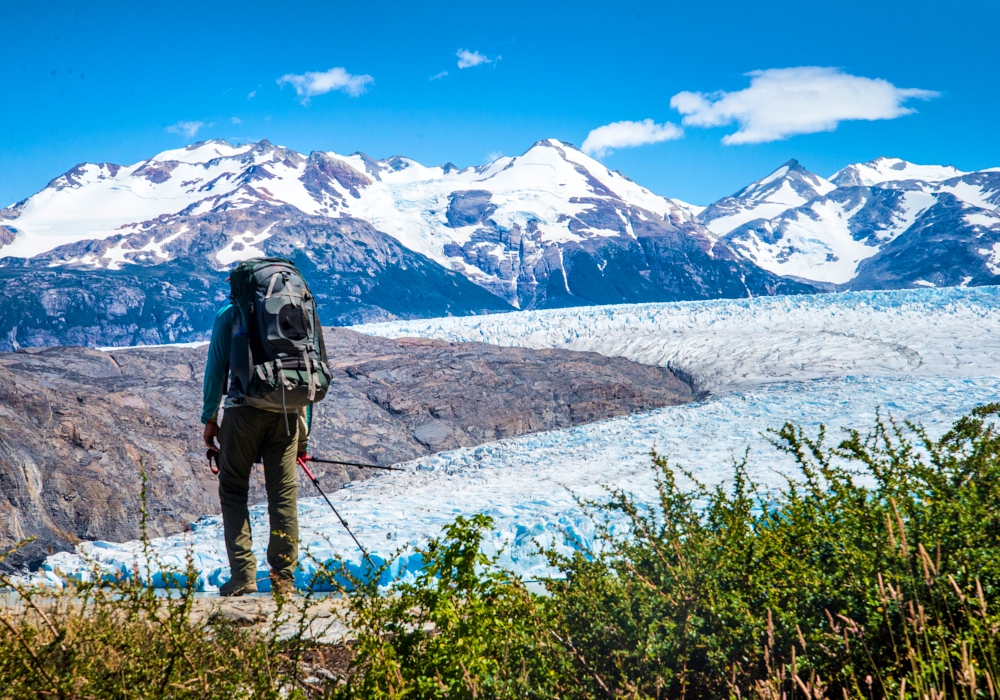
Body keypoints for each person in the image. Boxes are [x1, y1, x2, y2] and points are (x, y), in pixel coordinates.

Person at [201, 258, 329, 597]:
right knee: (283, 495)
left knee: (233, 490)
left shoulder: (230, 314)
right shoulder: (301, 311)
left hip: (243, 411)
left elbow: (216, 371)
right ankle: (283, 580)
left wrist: (210, 419)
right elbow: (310, 372)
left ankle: (242, 574)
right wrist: (305, 433)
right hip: (288, 414)